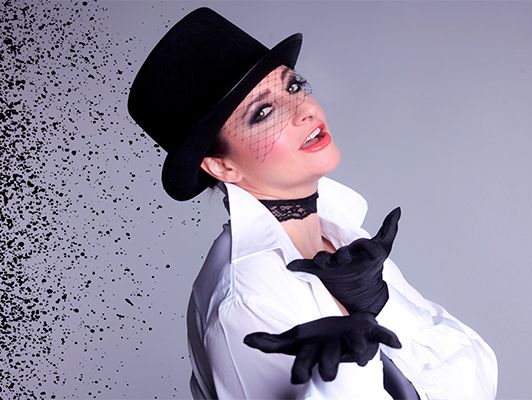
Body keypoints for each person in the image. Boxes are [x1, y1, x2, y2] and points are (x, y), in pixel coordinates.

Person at [127, 7, 498, 400]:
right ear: (222, 166)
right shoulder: (246, 297)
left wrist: (380, 304)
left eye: (293, 87)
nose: (303, 110)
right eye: (263, 113)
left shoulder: (343, 240)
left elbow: (478, 378)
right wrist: (346, 375)